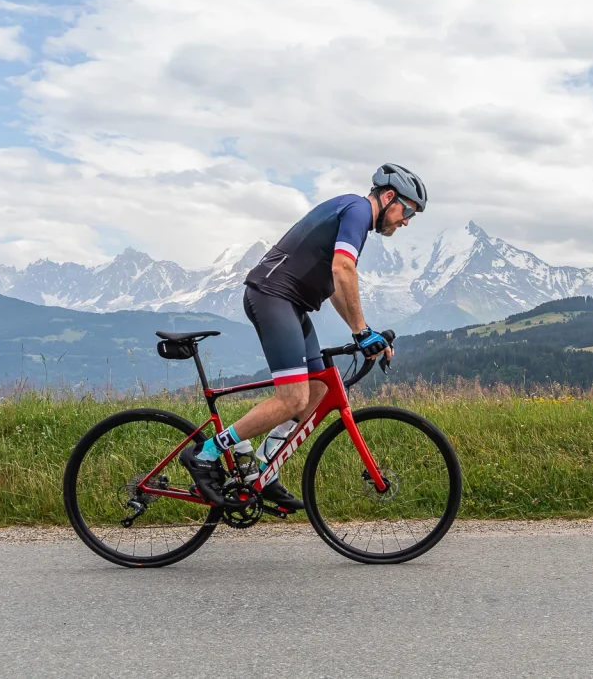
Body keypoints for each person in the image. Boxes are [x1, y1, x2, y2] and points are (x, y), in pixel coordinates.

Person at [180, 163, 428, 511]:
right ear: (389, 197)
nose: (406, 221)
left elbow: (336, 289)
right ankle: (206, 454)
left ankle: (263, 467)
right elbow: (343, 269)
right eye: (409, 211)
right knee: (293, 398)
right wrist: (361, 332)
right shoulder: (358, 210)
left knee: (319, 389)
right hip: (272, 296)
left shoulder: (353, 216)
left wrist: (363, 333)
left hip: (293, 304)